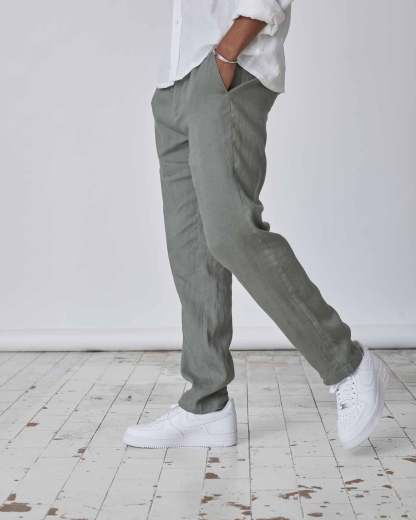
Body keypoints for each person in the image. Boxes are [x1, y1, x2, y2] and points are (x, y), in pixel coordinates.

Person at [123, 0, 390, 451]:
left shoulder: (226, 61)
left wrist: (226, 53)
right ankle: (205, 404)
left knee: (231, 232)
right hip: (175, 79)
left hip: (226, 68)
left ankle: (347, 364)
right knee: (190, 247)